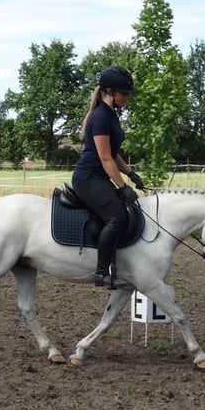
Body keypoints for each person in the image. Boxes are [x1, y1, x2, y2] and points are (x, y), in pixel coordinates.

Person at [72, 66, 145, 289]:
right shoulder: (101, 117)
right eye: (124, 93)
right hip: (87, 178)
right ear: (110, 92)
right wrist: (122, 187)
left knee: (124, 210)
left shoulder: (110, 115)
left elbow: (113, 153)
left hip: (99, 177)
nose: (127, 98)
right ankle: (102, 271)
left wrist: (131, 173)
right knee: (117, 217)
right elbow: (105, 159)